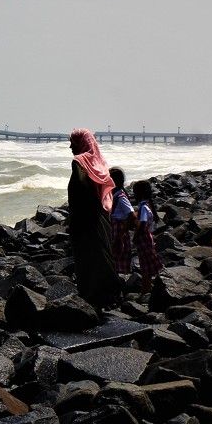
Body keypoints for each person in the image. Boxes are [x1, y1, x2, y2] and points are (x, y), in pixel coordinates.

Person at [67, 128, 122, 308]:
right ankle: (107, 294)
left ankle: (90, 296)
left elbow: (81, 187)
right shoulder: (99, 163)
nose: (70, 147)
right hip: (98, 216)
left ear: (80, 144)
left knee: (86, 257)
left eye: (72, 143)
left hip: (83, 218)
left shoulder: (79, 162)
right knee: (101, 252)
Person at [132, 179, 163, 293]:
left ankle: (146, 289)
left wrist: (135, 236)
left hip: (143, 238)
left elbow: (143, 222)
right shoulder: (147, 205)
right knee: (148, 264)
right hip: (147, 237)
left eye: (135, 193)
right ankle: (149, 287)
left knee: (145, 266)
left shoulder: (143, 207)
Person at [109, 167, 137, 275]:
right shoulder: (115, 195)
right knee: (116, 258)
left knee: (120, 258)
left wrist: (121, 234)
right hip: (116, 232)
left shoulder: (121, 197)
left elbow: (131, 215)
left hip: (119, 233)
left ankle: (123, 283)